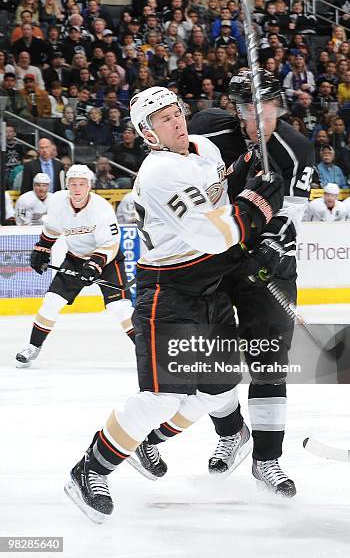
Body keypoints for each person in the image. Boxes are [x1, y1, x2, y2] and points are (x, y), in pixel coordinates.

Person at [65, 86, 284, 521]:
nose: (177, 121)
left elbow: (222, 186)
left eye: (176, 112)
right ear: (148, 134)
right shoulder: (161, 172)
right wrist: (258, 201)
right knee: (162, 398)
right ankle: (89, 468)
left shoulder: (201, 148)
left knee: (219, 387)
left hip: (210, 284)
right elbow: (215, 234)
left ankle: (145, 441)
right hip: (169, 291)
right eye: (163, 119)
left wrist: (249, 161)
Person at [137, 71, 315, 496]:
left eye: (267, 110)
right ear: (236, 111)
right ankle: (231, 432)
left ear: (279, 107)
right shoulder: (207, 128)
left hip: (265, 268)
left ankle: (267, 461)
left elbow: (292, 215)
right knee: (209, 362)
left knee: (268, 360)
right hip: (210, 261)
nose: (258, 120)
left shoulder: (296, 149)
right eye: (248, 111)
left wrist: (270, 246)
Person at [16, 164, 136, 368]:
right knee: (51, 301)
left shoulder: (101, 208)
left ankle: (146, 349)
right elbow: (52, 229)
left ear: (89, 185)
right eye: (73, 184)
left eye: (82, 184)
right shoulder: (58, 203)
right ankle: (32, 347)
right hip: (75, 259)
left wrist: (94, 266)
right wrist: (42, 249)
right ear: (67, 185)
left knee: (120, 308)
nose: (77, 189)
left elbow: (110, 245)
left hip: (107, 261)